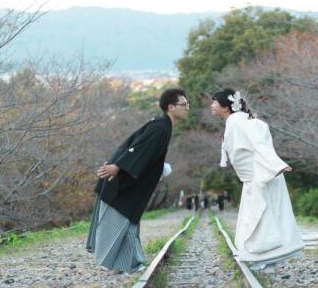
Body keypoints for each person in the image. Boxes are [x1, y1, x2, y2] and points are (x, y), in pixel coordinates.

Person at [86, 88, 189, 273]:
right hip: (121, 183)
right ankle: (130, 264)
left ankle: (128, 264)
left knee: (128, 224)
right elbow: (136, 148)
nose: (187, 107)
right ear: (171, 107)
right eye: (184, 104)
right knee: (122, 223)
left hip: (130, 182)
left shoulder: (163, 126)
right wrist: (118, 166)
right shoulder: (159, 127)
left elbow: (145, 154)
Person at [211, 88, 303, 269]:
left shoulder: (240, 122)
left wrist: (275, 164)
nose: (211, 105)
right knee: (263, 217)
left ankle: (264, 258)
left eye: (214, 102)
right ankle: (265, 258)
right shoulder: (236, 121)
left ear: (226, 106)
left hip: (262, 174)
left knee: (262, 217)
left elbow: (259, 144)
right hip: (255, 177)